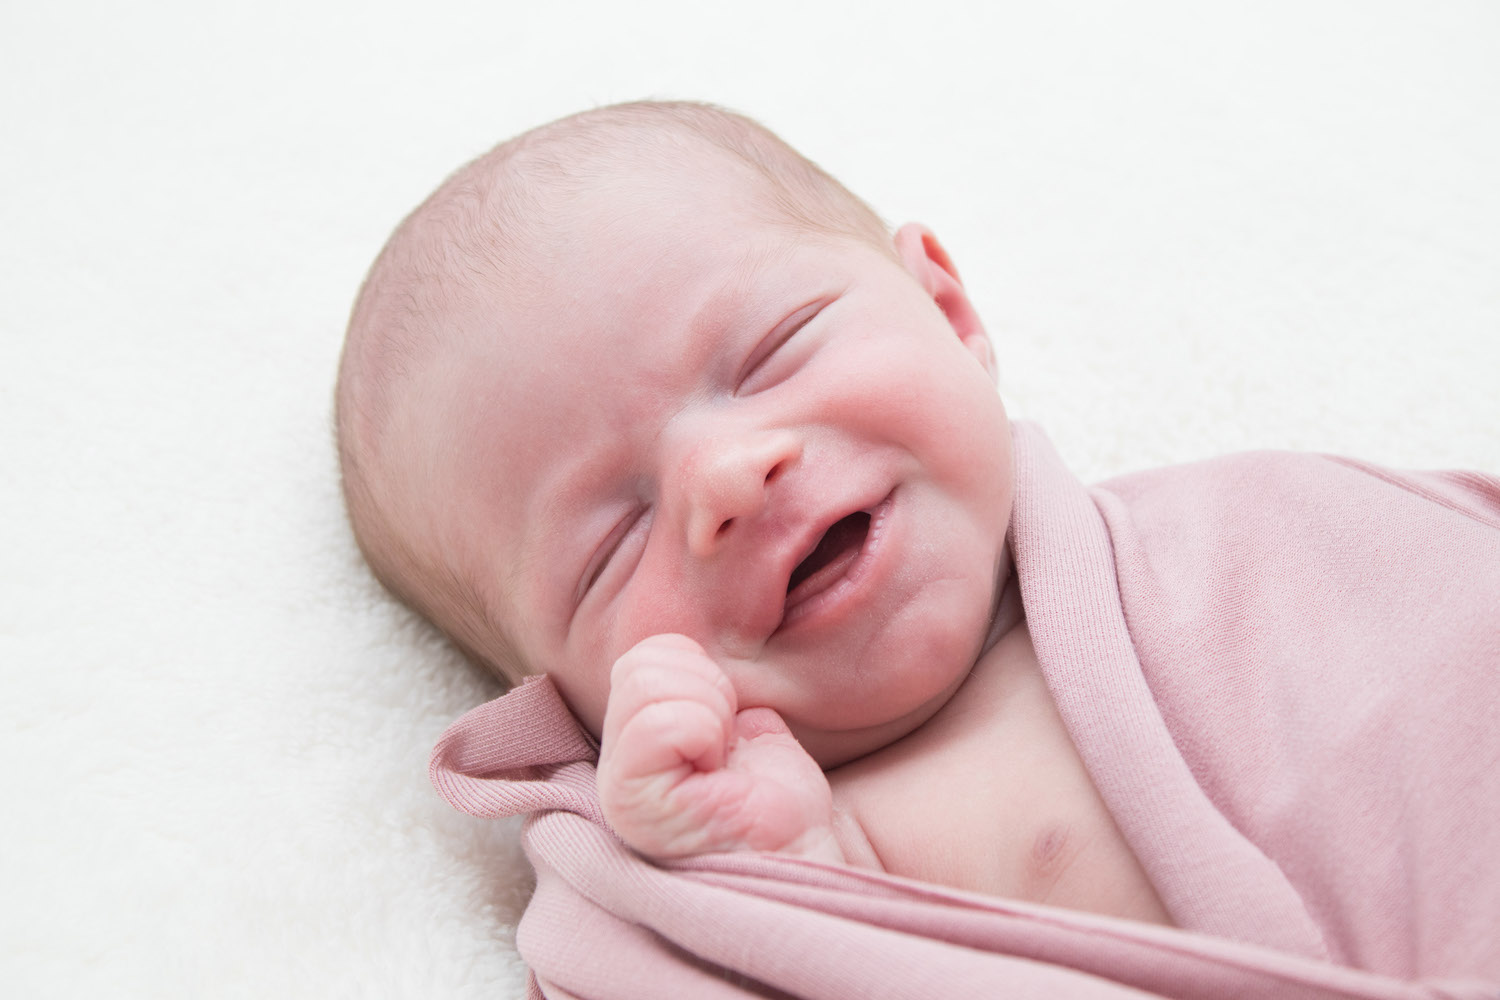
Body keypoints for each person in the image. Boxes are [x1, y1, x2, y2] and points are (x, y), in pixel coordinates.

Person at [338, 102, 1500, 989]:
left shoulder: (1272, 535)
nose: (726, 480)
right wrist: (780, 886)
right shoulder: (689, 890)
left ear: (947, 312)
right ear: (557, 698)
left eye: (771, 353)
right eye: (613, 540)